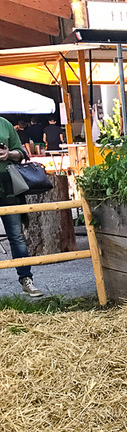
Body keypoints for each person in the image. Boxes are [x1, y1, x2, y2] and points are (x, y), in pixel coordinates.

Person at [0, 116, 43, 298]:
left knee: (16, 236)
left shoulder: (4, 124)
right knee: (16, 236)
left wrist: (8, 154)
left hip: (8, 188)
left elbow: (22, 153)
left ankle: (26, 279)